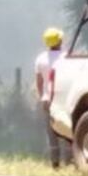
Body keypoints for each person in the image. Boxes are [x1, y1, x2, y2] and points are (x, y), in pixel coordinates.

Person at [35, 27, 68, 168]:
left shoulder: (40, 59)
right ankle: (70, 161)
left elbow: (39, 81)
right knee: (67, 129)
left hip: (47, 99)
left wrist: (42, 95)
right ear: (59, 41)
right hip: (64, 99)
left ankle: (55, 163)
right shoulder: (66, 56)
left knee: (51, 133)